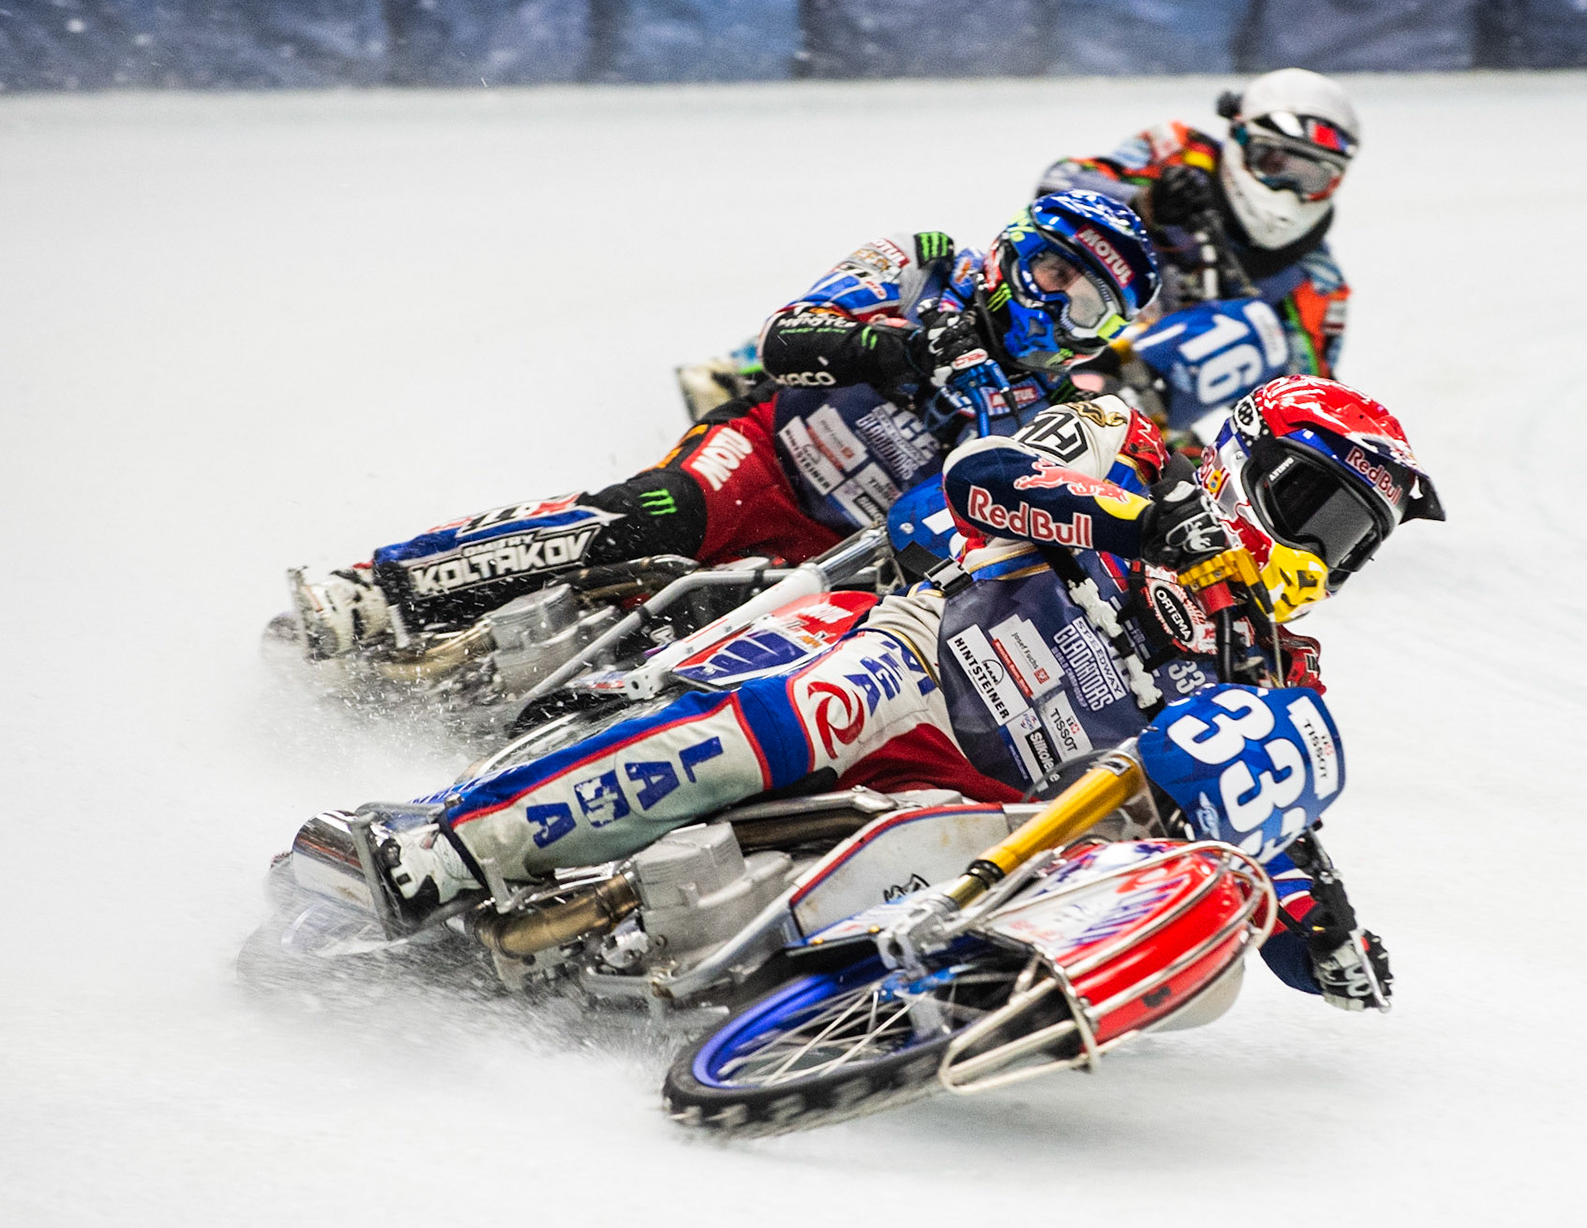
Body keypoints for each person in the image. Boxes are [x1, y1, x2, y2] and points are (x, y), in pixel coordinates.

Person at [375, 376, 1444, 1009]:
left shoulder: (1273, 664)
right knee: (803, 718)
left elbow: (1256, 816)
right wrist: (1132, 522)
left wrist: (1323, 931)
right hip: (920, 660)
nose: (1323, 552)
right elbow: (981, 477)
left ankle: (694, 981)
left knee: (959, 899)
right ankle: (452, 841)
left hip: (1002, 808)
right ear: (1249, 462)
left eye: (1352, 542)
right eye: (1316, 509)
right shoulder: (1136, 452)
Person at [292, 191, 1161, 661]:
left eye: (1088, 303)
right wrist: (897, 352)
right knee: (651, 516)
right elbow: (787, 342)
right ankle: (381, 586)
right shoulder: (926, 260)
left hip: (846, 554)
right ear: (1015, 250)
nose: (1058, 305)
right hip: (766, 453)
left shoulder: (1054, 410)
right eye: (1053, 269)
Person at [1036, 68, 1361, 434]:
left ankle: (1112, 420)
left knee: (1255, 327)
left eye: (1309, 177)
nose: (1287, 186)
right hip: (1057, 333)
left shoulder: (1318, 282)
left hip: (1145, 420)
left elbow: (1306, 413)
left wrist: (1233, 335)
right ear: (1240, 139)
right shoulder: (1181, 151)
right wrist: (1143, 203)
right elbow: (1056, 186)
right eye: (1273, 163)